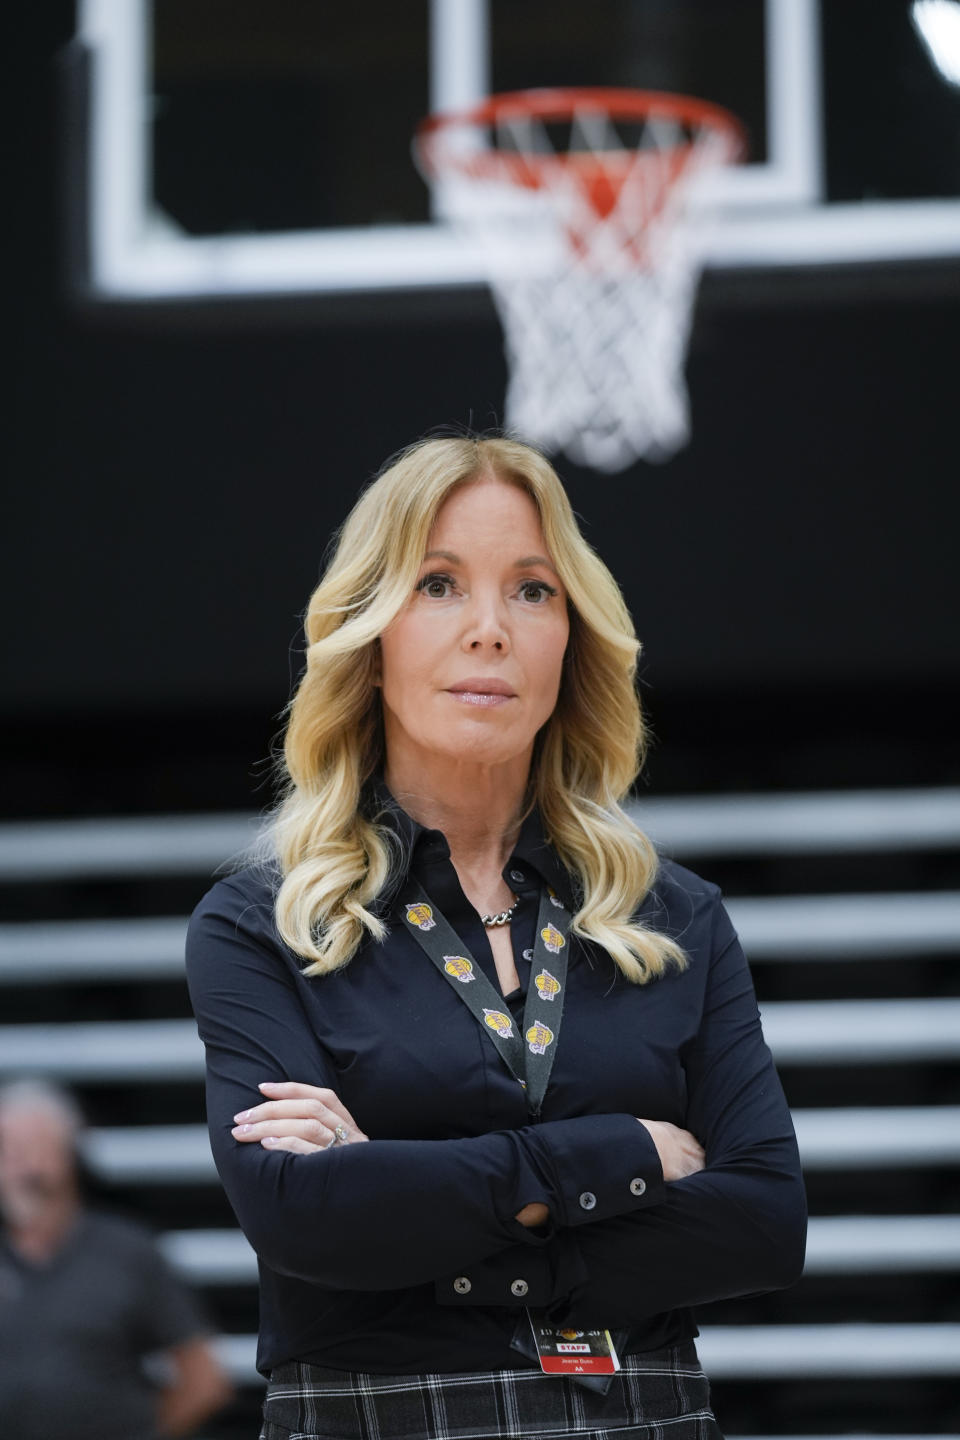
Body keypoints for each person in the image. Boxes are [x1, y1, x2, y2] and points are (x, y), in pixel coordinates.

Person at [186, 434, 807, 1440]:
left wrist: (400, 1185)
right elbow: (305, 1218)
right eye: (438, 585)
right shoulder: (265, 925)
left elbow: (765, 1226)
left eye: (531, 591)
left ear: (572, 637)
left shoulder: (676, 917)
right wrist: (621, 1157)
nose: (489, 629)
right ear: (370, 634)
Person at [0, 1078, 233, 1440]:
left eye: (29, 1147)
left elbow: (203, 1380)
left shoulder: (126, 1251)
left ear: (68, 1151)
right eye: (4, 1149)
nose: (15, 1165)